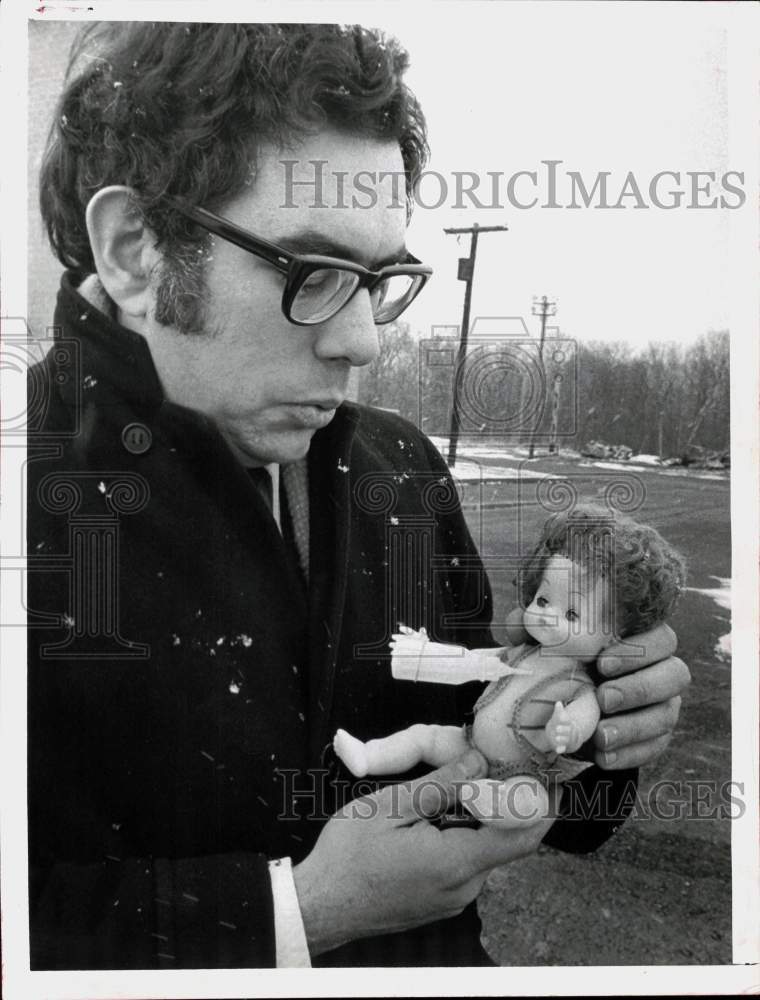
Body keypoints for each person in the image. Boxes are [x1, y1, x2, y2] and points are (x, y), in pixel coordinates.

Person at [27, 21, 691, 970]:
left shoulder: (400, 471)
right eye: (317, 273)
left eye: (379, 281)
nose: (364, 342)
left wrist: (605, 732)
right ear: (137, 250)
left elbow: (512, 773)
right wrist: (295, 915)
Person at [334, 505, 686, 828]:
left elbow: (584, 716)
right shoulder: (519, 653)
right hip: (469, 743)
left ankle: (490, 802)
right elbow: (472, 662)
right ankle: (367, 756)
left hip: (524, 769)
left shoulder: (580, 684)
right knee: (422, 736)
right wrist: (426, 654)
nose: (547, 615)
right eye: (543, 600)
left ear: (615, 638)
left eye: (573, 614)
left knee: (530, 799)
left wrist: (570, 730)